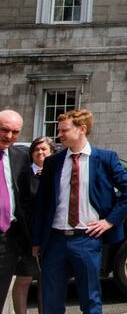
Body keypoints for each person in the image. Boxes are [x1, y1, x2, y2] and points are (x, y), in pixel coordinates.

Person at [32, 108, 127, 314]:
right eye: (59, 130)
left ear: (82, 129)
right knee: (50, 300)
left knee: (90, 299)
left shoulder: (105, 158)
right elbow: (42, 204)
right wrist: (37, 241)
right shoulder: (54, 162)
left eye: (64, 130)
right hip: (55, 240)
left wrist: (109, 221)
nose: (59, 135)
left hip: (87, 239)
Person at [12, 136, 55, 314]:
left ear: (52, 152)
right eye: (36, 149)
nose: (40, 152)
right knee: (24, 278)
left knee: (46, 281)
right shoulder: (23, 174)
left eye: (44, 149)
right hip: (26, 235)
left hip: (51, 235)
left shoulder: (57, 175)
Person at [0, 111, 32, 310]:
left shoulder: (20, 156)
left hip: (7, 238)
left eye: (15, 132)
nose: (9, 136)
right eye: (4, 130)